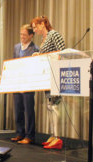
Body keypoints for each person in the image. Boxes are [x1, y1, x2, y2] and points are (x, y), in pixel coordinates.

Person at [31, 16, 65, 149]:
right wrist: (38, 55)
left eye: (35, 26)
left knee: (54, 105)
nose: (34, 30)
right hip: (47, 75)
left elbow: (62, 51)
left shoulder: (53, 34)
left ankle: (57, 137)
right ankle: (53, 134)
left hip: (55, 74)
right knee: (49, 106)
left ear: (43, 24)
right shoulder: (43, 39)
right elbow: (46, 54)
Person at [10, 24, 39, 144]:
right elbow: (12, 64)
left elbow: (36, 66)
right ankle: (19, 133)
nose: (22, 36)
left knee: (29, 110)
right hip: (17, 83)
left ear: (31, 36)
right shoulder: (16, 47)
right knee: (18, 109)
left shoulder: (35, 49)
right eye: (21, 34)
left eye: (24, 35)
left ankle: (30, 135)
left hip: (28, 83)